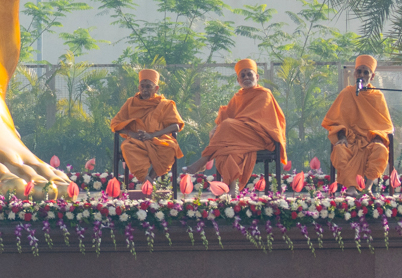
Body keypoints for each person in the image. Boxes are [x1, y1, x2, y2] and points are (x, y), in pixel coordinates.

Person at [185, 59, 287, 192]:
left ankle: (203, 160)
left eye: (249, 74)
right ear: (238, 80)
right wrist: (218, 128)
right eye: (242, 75)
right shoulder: (237, 97)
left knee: (227, 127)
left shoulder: (264, 94)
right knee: (227, 150)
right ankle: (232, 188)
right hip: (237, 138)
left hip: (259, 136)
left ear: (257, 77)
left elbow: (259, 120)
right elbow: (227, 116)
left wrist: (225, 126)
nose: (246, 77)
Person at [321, 55, 393, 191]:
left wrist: (377, 139)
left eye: (366, 72)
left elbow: (386, 126)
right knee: (339, 150)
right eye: (359, 71)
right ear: (354, 73)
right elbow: (335, 121)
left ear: (372, 77)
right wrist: (342, 138)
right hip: (350, 141)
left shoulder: (378, 96)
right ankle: (352, 187)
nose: (361, 75)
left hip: (371, 141)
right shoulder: (347, 93)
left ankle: (367, 187)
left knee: (381, 150)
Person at [109, 69, 184, 182]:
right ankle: (146, 182)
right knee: (126, 146)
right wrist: (131, 134)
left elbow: (176, 126)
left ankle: (149, 181)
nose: (145, 90)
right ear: (138, 87)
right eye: (142, 86)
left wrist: (152, 135)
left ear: (156, 88)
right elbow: (115, 123)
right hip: (137, 141)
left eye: (148, 87)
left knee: (170, 148)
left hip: (158, 139)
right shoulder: (130, 103)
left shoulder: (166, 104)